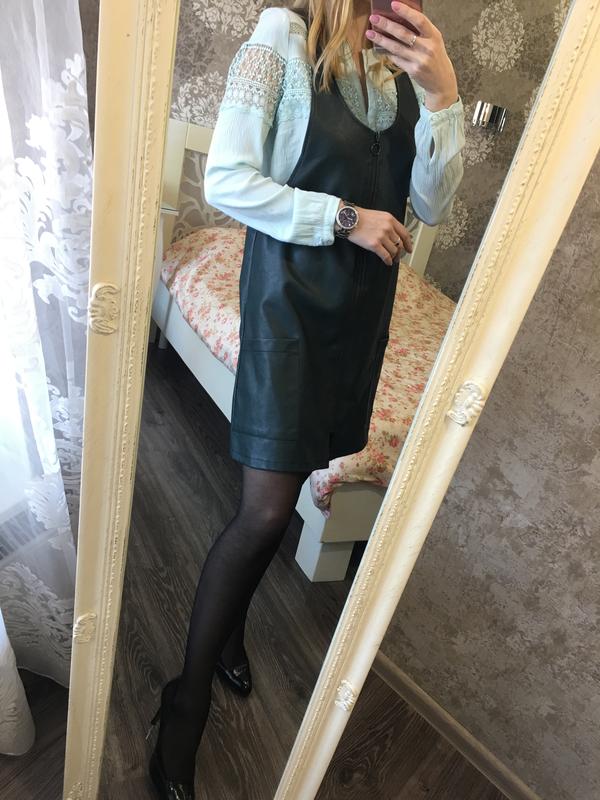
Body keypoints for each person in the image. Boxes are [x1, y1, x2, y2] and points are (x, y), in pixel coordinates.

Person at [147, 2, 465, 797]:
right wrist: (346, 218)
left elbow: (431, 206)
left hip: (360, 315)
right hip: (288, 304)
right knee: (263, 512)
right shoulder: (279, 43)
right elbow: (227, 180)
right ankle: (184, 703)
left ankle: (229, 638)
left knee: (285, 490)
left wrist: (443, 97)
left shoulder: (401, 73)